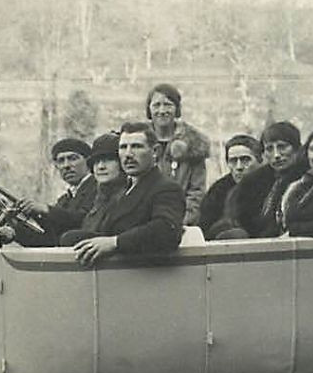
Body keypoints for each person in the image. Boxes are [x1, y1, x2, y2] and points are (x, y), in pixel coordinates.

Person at [60, 123, 185, 265]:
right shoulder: (124, 189)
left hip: (143, 275)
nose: (128, 154)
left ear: (155, 151)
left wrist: (115, 242)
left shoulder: (166, 188)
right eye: (123, 147)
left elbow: (166, 230)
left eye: (137, 147)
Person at [213, 120, 308, 239]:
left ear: (297, 148)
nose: (276, 154)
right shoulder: (253, 184)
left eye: (282, 147)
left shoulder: (306, 181)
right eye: (269, 149)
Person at [7, 136, 99, 247]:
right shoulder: (65, 199)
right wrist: (14, 230)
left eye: (73, 158)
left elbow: (84, 221)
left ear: (88, 161)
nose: (66, 165)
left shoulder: (99, 188)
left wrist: (45, 209)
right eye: (61, 161)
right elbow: (50, 239)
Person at [144, 83, 212, 226]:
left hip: (180, 222)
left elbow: (196, 192)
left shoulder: (193, 145)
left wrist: (180, 223)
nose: (162, 111)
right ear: (149, 110)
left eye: (168, 105)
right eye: (156, 105)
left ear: (177, 109)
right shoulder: (138, 142)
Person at [198, 134, 261, 239]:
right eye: (233, 161)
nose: (239, 167)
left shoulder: (271, 187)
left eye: (245, 160)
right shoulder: (218, 191)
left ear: (260, 160)